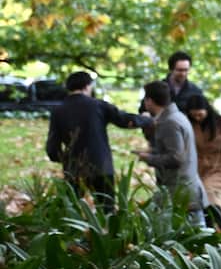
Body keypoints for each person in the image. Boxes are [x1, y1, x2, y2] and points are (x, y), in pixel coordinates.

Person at [45, 70, 151, 212]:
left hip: (74, 167)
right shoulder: (98, 105)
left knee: (73, 210)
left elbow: (52, 147)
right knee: (106, 209)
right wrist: (146, 119)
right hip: (101, 165)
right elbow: (124, 120)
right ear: (88, 86)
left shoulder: (58, 111)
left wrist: (65, 159)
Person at [136, 80, 207, 225]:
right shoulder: (176, 117)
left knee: (194, 235)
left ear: (149, 101)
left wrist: (148, 158)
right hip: (183, 188)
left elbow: (176, 158)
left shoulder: (169, 122)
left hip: (181, 190)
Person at [183, 94, 221, 226]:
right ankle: (204, 227)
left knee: (209, 193)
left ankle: (220, 226)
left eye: (200, 115)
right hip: (196, 167)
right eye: (194, 115)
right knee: (194, 198)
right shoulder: (187, 123)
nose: (198, 118)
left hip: (218, 166)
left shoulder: (220, 122)